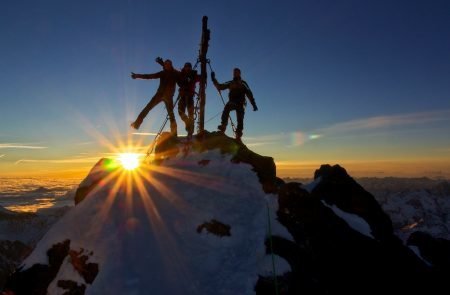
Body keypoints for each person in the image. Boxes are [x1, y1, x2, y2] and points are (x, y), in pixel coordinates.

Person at [130, 58, 179, 136]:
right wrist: (137, 76)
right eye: (166, 64)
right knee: (148, 108)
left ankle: (174, 134)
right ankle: (137, 124)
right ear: (165, 66)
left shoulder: (175, 73)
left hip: (166, 96)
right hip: (160, 95)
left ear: (171, 65)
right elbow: (149, 76)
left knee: (171, 115)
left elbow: (181, 77)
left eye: (168, 64)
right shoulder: (164, 73)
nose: (167, 66)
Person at [211, 68, 258, 141]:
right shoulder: (230, 82)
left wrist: (253, 104)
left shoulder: (243, 83)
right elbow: (220, 86)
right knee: (227, 108)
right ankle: (223, 126)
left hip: (241, 103)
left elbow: (249, 94)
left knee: (240, 119)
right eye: (234, 72)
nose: (235, 73)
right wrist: (214, 79)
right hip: (232, 102)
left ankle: (238, 135)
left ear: (239, 73)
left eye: (236, 72)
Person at [177, 62, 200, 137]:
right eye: (186, 67)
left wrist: (203, 77)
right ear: (184, 67)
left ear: (190, 68)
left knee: (190, 114)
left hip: (189, 95)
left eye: (189, 67)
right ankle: (187, 123)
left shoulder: (193, 75)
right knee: (180, 111)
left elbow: (200, 78)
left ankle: (190, 131)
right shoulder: (181, 75)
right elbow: (178, 79)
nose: (188, 68)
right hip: (183, 95)